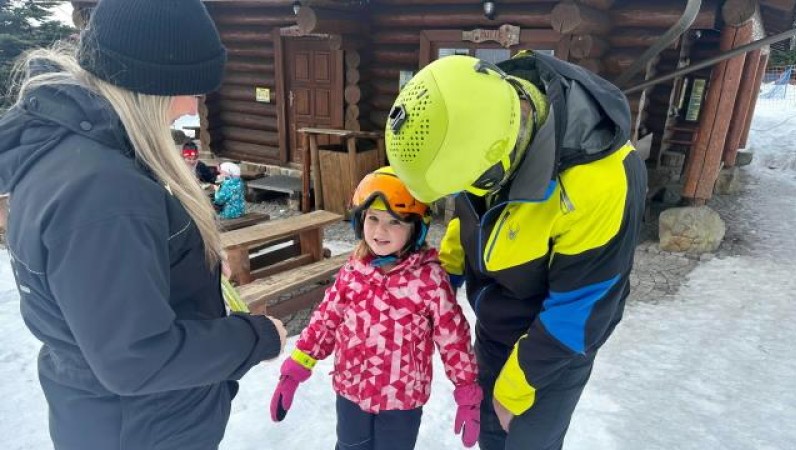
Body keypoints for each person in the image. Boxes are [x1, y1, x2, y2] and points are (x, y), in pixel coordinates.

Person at [0, 0, 287, 449]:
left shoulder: (90, 153)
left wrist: (193, 267)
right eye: (192, 88)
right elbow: (138, 358)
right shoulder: (103, 193)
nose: (195, 105)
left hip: (129, 419)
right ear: (153, 82)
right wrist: (254, 338)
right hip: (141, 429)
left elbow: (111, 285)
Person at [384, 53, 647, 450]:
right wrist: (441, 279)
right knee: (490, 434)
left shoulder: (602, 181)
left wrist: (515, 389)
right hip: (496, 325)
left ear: (497, 161)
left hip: (555, 350)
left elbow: (581, 309)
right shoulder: (483, 111)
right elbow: (470, 215)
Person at [269, 167, 483, 449]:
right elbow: (325, 322)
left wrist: (467, 390)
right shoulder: (353, 272)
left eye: (394, 222)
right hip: (351, 393)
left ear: (415, 228)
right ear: (360, 221)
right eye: (373, 218)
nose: (380, 231)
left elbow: (453, 339)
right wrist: (295, 368)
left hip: (401, 402)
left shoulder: (429, 281)